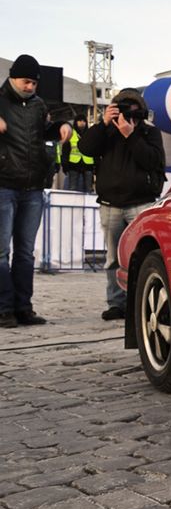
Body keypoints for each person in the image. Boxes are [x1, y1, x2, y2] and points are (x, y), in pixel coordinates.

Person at [78, 88, 166, 321]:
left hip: (141, 203)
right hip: (111, 204)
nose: (128, 116)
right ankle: (116, 303)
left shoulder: (149, 132)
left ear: (141, 111)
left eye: (133, 111)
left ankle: (141, 302)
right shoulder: (106, 132)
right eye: (122, 109)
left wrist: (131, 135)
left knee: (144, 256)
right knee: (113, 257)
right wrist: (103, 123)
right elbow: (86, 149)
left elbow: (153, 161)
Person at [0, 55, 68, 327]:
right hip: (3, 185)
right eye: (26, 81)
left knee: (26, 252)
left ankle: (23, 307)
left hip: (33, 188)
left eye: (34, 83)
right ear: (13, 77)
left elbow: (43, 132)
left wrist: (60, 127)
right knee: (1, 251)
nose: (30, 87)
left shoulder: (39, 105)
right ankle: (4, 308)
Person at [61, 117, 95, 192]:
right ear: (76, 122)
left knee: (89, 189)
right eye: (79, 120)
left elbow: (94, 149)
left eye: (84, 121)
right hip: (73, 164)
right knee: (72, 188)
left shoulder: (90, 134)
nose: (82, 122)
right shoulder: (70, 133)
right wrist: (64, 164)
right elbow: (65, 150)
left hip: (88, 164)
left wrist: (96, 164)